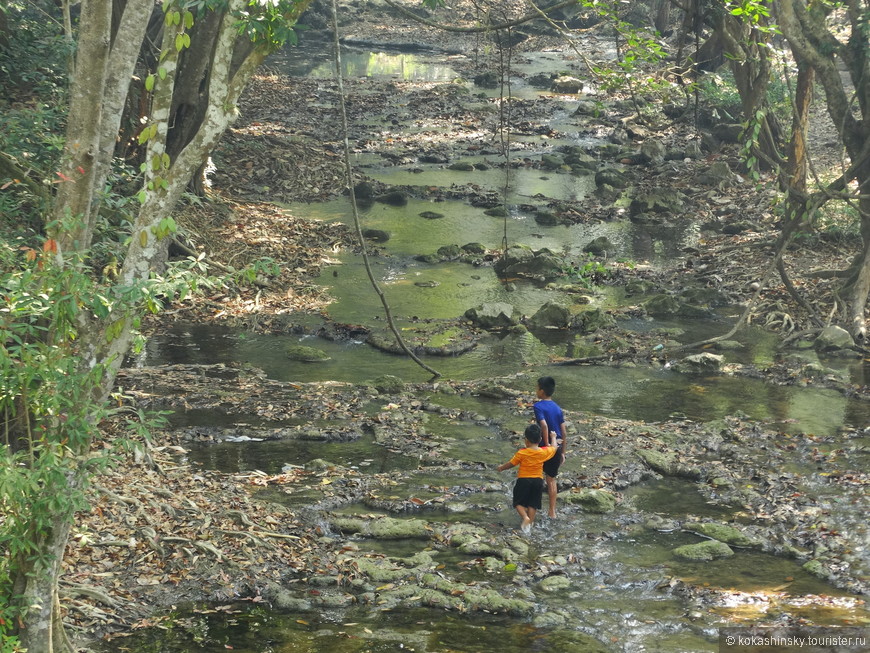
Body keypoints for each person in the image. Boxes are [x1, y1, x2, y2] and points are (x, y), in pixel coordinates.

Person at [496, 423, 556, 533]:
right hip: (538, 481)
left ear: (526, 440)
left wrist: (501, 468)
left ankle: (525, 517)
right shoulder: (543, 452)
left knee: (518, 502)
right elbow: (554, 448)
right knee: (533, 504)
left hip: (524, 480)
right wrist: (553, 437)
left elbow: (511, 464)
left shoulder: (522, 452)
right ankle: (529, 527)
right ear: (540, 439)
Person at [534, 376, 567, 518]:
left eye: (537, 388)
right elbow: (564, 432)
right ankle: (552, 511)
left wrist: (547, 444)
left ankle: (532, 506)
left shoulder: (538, 406)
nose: (536, 390)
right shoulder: (557, 408)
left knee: (534, 475)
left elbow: (544, 425)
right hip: (557, 446)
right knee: (551, 479)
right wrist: (563, 452)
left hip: (543, 447)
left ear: (542, 391)